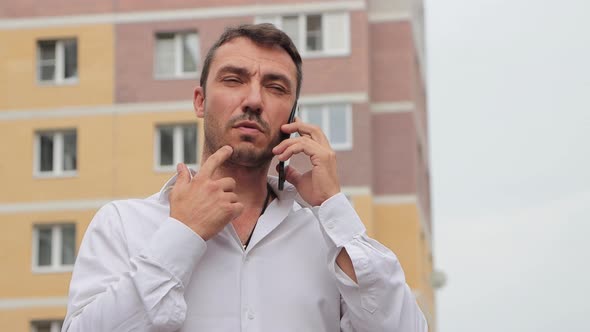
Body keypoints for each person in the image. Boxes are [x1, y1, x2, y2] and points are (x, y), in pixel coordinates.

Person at [62, 23, 428, 332]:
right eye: (234, 80)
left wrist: (333, 208)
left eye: (275, 87)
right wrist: (180, 236)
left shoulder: (329, 240)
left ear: (292, 116)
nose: (253, 100)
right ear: (200, 101)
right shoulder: (125, 225)